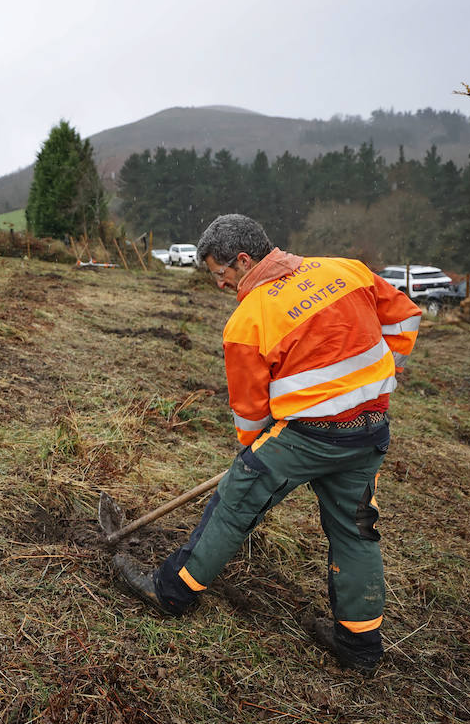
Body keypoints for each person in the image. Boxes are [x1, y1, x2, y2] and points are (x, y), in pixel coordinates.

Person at [112, 213, 421, 675]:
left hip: (305, 437)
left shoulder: (248, 319)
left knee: (234, 504)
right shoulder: (346, 270)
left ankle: (171, 592)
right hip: (371, 428)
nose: (220, 285)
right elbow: (404, 319)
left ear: (242, 259)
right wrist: (375, 380)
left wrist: (256, 460)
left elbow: (252, 416)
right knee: (355, 531)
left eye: (221, 274)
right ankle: (359, 647)